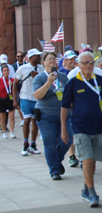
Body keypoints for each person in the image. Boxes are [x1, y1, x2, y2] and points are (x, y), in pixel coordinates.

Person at [61, 52, 102, 207]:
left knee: (93, 161)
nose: (88, 65)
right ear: (78, 64)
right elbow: (64, 107)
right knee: (87, 159)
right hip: (80, 126)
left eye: (91, 63)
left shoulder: (100, 81)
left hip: (97, 126)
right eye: (85, 63)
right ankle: (92, 193)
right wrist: (64, 128)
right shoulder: (73, 82)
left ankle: (85, 188)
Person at [33, 52, 72, 180]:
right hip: (46, 115)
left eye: (54, 59)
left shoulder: (62, 76)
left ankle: (57, 159)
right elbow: (37, 96)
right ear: (43, 62)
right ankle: (54, 170)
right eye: (49, 59)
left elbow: (68, 94)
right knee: (49, 142)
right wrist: (49, 82)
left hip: (64, 114)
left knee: (67, 140)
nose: (52, 61)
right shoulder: (39, 78)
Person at [13, 48, 44, 156]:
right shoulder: (23, 69)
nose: (39, 57)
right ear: (31, 58)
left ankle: (33, 144)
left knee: (35, 121)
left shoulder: (41, 68)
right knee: (27, 120)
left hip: (36, 98)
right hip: (25, 97)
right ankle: (25, 143)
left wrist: (37, 76)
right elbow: (15, 83)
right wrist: (14, 99)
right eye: (37, 56)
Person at [0, 65, 15, 138]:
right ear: (2, 72)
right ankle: (4, 131)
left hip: (10, 99)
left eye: (7, 70)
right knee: (3, 117)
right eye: (4, 71)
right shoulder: (0, 80)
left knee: (11, 116)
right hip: (2, 100)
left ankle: (12, 131)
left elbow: (15, 90)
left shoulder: (12, 80)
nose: (6, 72)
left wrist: (12, 85)